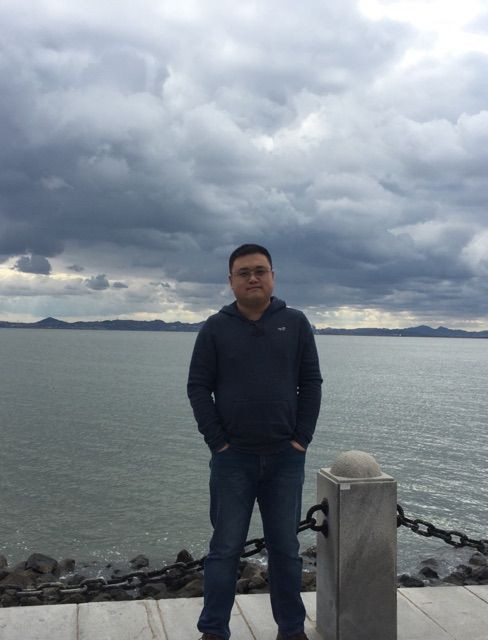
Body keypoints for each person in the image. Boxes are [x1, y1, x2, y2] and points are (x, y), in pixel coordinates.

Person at [187, 243, 322, 640]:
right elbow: (198, 387)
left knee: (286, 550)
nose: (252, 278)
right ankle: (214, 631)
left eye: (260, 270)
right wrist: (218, 442)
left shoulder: (295, 323)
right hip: (233, 460)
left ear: (272, 277)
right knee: (224, 550)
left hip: (285, 459)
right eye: (243, 272)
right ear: (231, 281)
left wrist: (301, 440)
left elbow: (311, 383)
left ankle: (291, 630)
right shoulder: (215, 327)